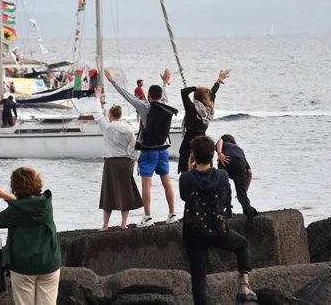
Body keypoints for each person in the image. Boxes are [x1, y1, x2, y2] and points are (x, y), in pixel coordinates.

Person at [180, 135, 257, 304]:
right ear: (213, 155)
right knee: (242, 245)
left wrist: (189, 168)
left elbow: (184, 197)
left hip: (194, 233)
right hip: (217, 230)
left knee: (198, 277)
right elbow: (225, 199)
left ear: (193, 155)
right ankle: (244, 284)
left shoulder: (186, 178)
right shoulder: (222, 176)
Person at [104, 68, 177, 226]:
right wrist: (164, 83)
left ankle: (148, 216)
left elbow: (126, 95)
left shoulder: (144, 107)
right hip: (163, 149)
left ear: (148, 96)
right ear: (160, 97)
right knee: (166, 182)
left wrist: (112, 81)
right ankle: (172, 214)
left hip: (148, 150)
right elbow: (163, 92)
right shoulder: (166, 104)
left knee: (147, 183)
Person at [0, 167, 61, 305]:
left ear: (15, 187)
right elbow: (27, 205)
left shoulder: (15, 212)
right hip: (49, 264)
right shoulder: (46, 203)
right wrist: (3, 195)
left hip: (24, 267)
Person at [93, 86, 143, 230]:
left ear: (110, 115)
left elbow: (97, 114)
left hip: (111, 162)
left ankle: (105, 225)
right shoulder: (127, 128)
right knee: (125, 192)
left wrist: (97, 97)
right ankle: (124, 223)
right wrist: (133, 161)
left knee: (108, 192)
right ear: (120, 115)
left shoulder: (107, 127)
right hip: (124, 162)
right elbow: (134, 146)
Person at [178, 69, 230, 173]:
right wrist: (218, 81)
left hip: (189, 143)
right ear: (205, 98)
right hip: (203, 143)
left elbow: (183, 92)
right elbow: (213, 93)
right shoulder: (208, 110)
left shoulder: (191, 109)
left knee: (186, 173)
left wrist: (197, 87)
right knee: (205, 170)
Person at [217, 134, 257, 226]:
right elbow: (249, 172)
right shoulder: (239, 150)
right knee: (241, 193)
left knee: (224, 185)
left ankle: (227, 210)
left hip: (225, 160)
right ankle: (248, 209)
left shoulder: (224, 144)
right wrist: (244, 189)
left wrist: (219, 154)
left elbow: (219, 141)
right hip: (240, 164)